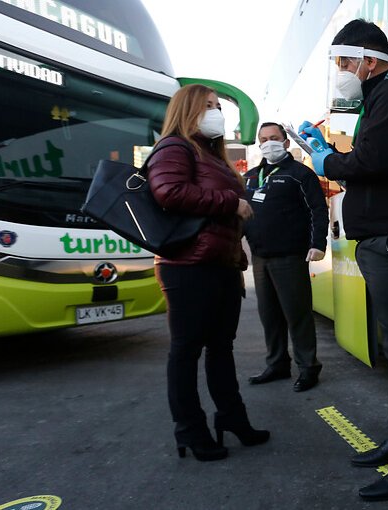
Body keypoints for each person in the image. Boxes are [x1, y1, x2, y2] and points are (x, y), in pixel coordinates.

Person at [300, 19, 388, 501]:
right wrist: (333, 157)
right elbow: (373, 163)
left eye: (343, 62)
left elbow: (372, 161)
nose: (342, 71)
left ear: (367, 57)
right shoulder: (386, 96)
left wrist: (326, 161)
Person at [148, 84, 269, 462]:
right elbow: (168, 191)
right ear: (188, 111)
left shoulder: (213, 156)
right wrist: (230, 201)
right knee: (186, 351)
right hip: (188, 266)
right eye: (208, 106)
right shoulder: (174, 147)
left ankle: (232, 418)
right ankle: (191, 429)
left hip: (223, 263)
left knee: (221, 348)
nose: (217, 113)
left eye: (219, 106)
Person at [243, 122, 328, 392]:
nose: (269, 143)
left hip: (290, 256)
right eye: (264, 139)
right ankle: (277, 363)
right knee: (269, 316)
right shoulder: (251, 176)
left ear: (285, 142)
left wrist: (317, 243)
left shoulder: (300, 174)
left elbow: (318, 210)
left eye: (274, 138)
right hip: (260, 256)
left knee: (297, 315)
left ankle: (308, 367)